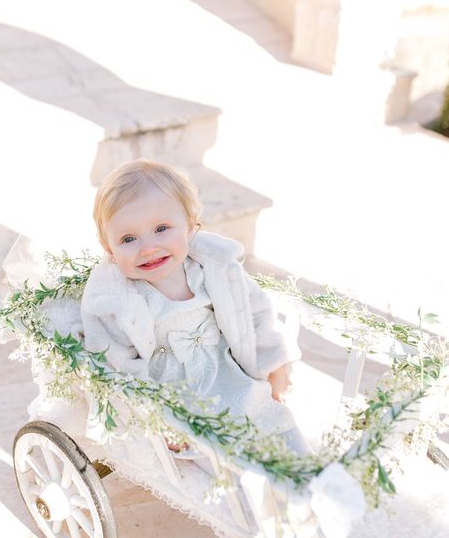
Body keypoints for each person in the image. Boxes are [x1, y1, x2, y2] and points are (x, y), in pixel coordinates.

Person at [81, 158, 310, 458]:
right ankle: (248, 486)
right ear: (108, 248)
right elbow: (115, 363)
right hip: (177, 395)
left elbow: (254, 313)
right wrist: (154, 417)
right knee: (220, 457)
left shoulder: (212, 270)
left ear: (190, 225)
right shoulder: (117, 299)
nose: (148, 247)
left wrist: (274, 365)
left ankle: (311, 480)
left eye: (161, 228)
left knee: (276, 422)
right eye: (128, 238)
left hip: (230, 375)